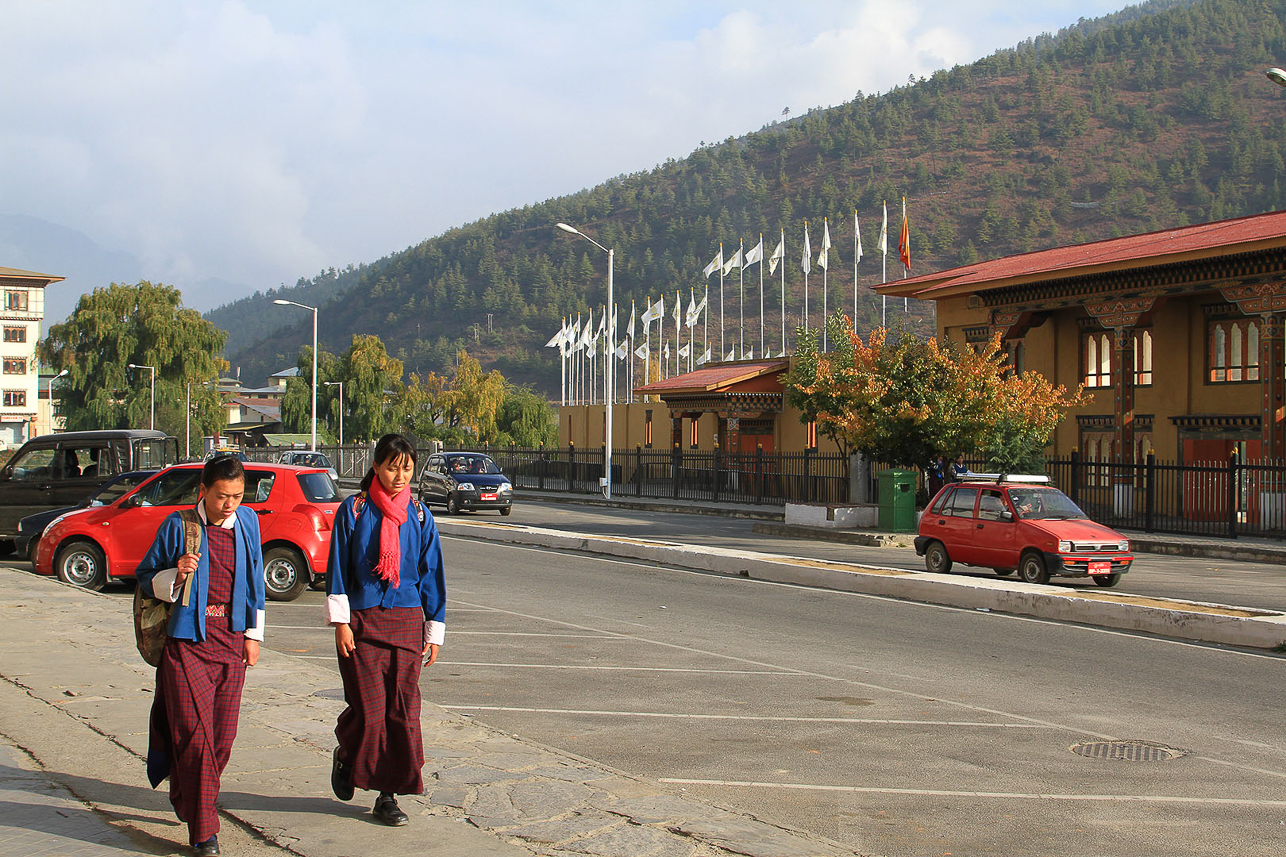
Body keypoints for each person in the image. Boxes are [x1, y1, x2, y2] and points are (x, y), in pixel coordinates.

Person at [136, 456, 266, 857]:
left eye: (238, 496)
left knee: (223, 739)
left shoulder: (248, 523)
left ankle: (188, 793)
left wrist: (253, 635)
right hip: (187, 643)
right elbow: (144, 577)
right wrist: (175, 573)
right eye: (222, 496)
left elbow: (255, 579)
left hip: (231, 640)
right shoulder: (179, 527)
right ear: (203, 492)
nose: (230, 504)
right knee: (195, 739)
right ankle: (204, 829)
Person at [327, 433, 446, 826]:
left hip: (407, 620)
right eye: (392, 467)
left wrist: (433, 630)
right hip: (362, 623)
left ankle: (387, 795)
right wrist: (341, 623)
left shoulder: (420, 514)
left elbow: (431, 574)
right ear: (376, 467)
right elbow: (339, 569)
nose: (399, 475)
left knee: (403, 712)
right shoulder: (355, 510)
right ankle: (347, 753)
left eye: (407, 468)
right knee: (370, 711)